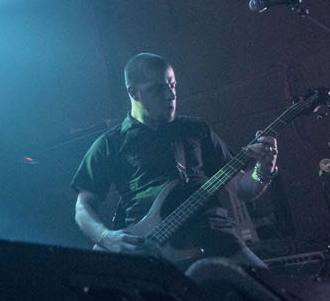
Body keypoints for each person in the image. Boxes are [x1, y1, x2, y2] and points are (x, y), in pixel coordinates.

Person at [72, 53, 279, 269]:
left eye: (172, 85)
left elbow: (243, 189)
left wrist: (264, 169)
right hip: (149, 249)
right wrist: (106, 237)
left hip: (217, 238)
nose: (170, 95)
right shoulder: (110, 144)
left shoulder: (196, 129)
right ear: (133, 92)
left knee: (268, 287)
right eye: (158, 89)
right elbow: (83, 206)